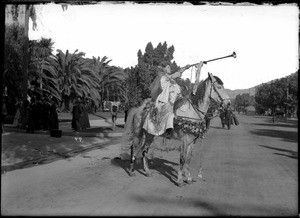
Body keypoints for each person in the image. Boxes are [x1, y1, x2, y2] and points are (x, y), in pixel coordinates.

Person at [143, 63, 200, 139]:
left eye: (170, 67)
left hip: (171, 103)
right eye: (168, 67)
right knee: (171, 114)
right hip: (163, 103)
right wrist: (185, 68)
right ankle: (168, 132)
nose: (170, 68)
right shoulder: (163, 78)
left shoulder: (172, 81)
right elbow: (175, 74)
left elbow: (177, 90)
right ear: (163, 69)